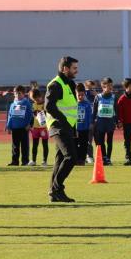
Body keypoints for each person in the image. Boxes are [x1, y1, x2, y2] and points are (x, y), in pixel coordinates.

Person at [45, 56, 79, 202]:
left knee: (60, 159)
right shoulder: (56, 84)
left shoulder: (69, 84)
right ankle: (57, 189)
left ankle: (54, 192)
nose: (76, 71)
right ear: (65, 69)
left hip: (66, 127)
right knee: (71, 157)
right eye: (74, 68)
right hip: (58, 126)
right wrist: (64, 121)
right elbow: (48, 106)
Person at [93, 77, 118, 165]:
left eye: (111, 85)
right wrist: (92, 122)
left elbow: (116, 110)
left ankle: (108, 158)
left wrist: (117, 121)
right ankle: (103, 157)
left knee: (109, 141)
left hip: (110, 123)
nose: (110, 87)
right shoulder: (98, 97)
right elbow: (94, 110)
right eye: (108, 85)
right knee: (101, 141)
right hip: (100, 122)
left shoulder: (114, 97)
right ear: (103, 86)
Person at [6, 85, 33, 166]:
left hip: (24, 128)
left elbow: (30, 115)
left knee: (24, 146)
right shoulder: (12, 104)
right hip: (15, 128)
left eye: (19, 93)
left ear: (23, 94)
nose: (17, 95)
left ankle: (25, 161)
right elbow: (10, 116)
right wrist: (8, 126)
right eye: (15, 93)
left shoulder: (27, 103)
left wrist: (29, 124)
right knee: (15, 146)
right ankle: (15, 161)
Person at [29, 88, 49, 166]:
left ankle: (44, 161)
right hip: (35, 128)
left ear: (40, 96)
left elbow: (47, 114)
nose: (36, 100)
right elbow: (33, 115)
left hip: (43, 128)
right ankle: (33, 160)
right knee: (34, 145)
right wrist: (31, 126)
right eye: (34, 99)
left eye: (37, 98)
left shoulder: (45, 105)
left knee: (45, 144)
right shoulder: (33, 105)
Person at [75, 83, 93, 166]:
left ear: (84, 94)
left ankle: (82, 160)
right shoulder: (73, 104)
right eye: (79, 95)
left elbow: (89, 115)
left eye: (82, 95)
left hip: (84, 128)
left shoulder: (87, 104)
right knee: (75, 144)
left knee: (84, 144)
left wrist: (89, 124)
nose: (80, 97)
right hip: (75, 129)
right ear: (76, 94)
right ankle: (76, 159)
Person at [84, 80, 97, 164]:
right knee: (87, 140)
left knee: (95, 140)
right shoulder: (84, 94)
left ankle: (100, 157)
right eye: (89, 86)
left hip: (95, 120)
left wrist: (96, 95)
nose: (91, 89)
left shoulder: (96, 96)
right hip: (86, 121)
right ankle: (89, 156)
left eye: (92, 87)